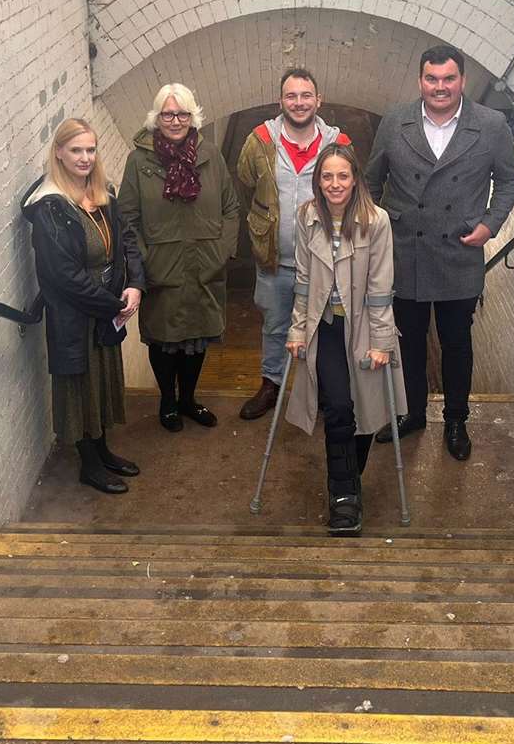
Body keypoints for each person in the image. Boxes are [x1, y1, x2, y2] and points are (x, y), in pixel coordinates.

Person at [365, 45, 514, 462]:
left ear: (462, 81)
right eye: (432, 79)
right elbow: (371, 181)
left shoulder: (491, 125)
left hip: (458, 251)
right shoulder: (395, 122)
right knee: (409, 341)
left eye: (448, 79)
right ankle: (412, 412)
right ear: (420, 81)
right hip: (405, 252)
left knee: (456, 342)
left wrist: (489, 225)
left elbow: (508, 182)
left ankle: (456, 420)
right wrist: (380, 232)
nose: (440, 87)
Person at [285, 144, 406, 536]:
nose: (335, 184)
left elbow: (381, 285)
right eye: (327, 176)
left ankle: (349, 476)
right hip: (327, 328)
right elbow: (303, 280)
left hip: (367, 326)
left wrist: (382, 341)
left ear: (355, 180)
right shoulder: (307, 217)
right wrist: (298, 329)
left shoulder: (377, 221)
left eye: (342, 176)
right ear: (318, 181)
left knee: (367, 413)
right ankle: (343, 496)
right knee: (338, 408)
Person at [22, 118, 145, 494]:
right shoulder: (50, 208)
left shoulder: (101, 191)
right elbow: (62, 276)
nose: (85, 158)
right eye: (76, 150)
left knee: (102, 382)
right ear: (59, 152)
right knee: (80, 389)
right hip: (76, 316)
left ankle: (104, 451)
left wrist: (136, 284)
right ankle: (89, 464)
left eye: (90, 150)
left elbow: (126, 239)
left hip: (106, 308)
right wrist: (111, 304)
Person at [118, 83, 240, 432]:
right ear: (157, 117)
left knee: (198, 336)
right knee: (164, 339)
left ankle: (188, 399)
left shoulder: (210, 155)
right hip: (162, 266)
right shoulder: (139, 161)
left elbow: (231, 206)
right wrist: (143, 260)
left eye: (182, 114)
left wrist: (222, 250)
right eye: (168, 114)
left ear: (193, 116)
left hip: (205, 264)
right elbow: (128, 216)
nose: (175, 120)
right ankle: (167, 401)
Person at [235, 67, 351, 420]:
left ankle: (318, 391)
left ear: (318, 100)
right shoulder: (259, 141)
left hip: (324, 263)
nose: (298, 103)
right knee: (274, 324)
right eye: (291, 96)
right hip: (275, 261)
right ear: (280, 100)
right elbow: (244, 186)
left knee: (324, 329)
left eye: (305, 96)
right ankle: (272, 384)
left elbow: (352, 191)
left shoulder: (338, 145)